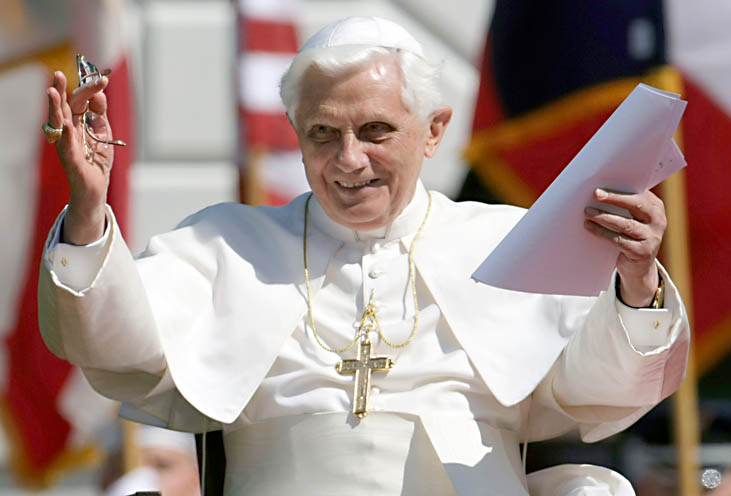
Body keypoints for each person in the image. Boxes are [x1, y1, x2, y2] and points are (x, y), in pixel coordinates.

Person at [38, 16, 689, 495]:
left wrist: (635, 284)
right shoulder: (224, 245)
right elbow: (112, 346)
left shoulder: (502, 240)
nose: (349, 161)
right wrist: (91, 214)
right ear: (297, 133)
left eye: (375, 131)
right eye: (324, 134)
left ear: (433, 131)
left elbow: (599, 394)